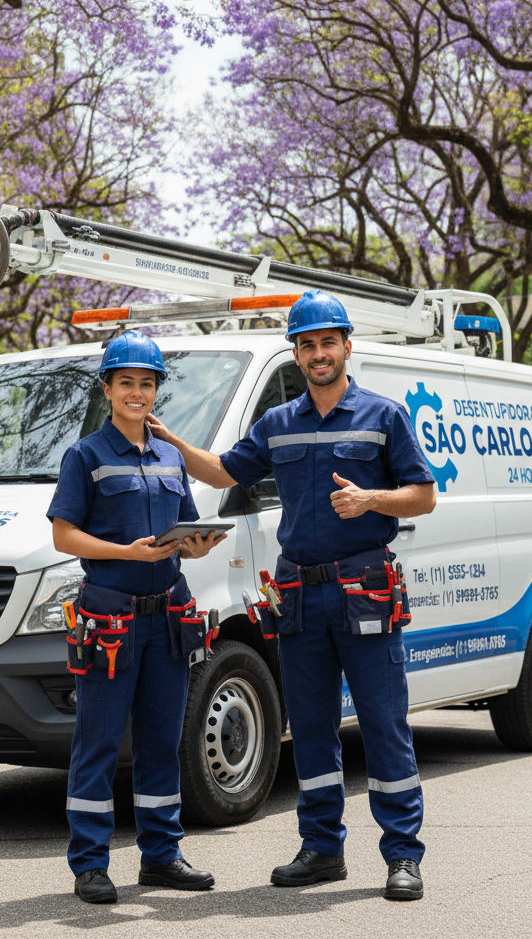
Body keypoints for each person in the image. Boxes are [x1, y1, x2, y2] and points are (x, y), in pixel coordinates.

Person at [146, 290, 436, 901]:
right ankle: (322, 849)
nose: (318, 353)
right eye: (306, 344)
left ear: (347, 346)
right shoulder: (278, 424)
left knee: (384, 724)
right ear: (297, 354)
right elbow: (225, 471)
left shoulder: (384, 416)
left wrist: (371, 500)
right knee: (309, 728)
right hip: (301, 595)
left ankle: (402, 856)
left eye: (328, 341)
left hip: (364, 590)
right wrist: (171, 440)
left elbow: (423, 495)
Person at [47, 330, 226, 905]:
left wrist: (194, 547)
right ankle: (91, 864)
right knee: (97, 742)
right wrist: (128, 553)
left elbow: (189, 527)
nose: (137, 393)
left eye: (147, 384)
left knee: (161, 740)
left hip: (166, 618)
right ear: (107, 388)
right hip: (110, 619)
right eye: (126, 382)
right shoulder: (85, 456)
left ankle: (162, 856)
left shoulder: (172, 456)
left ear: (156, 392)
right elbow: (63, 534)